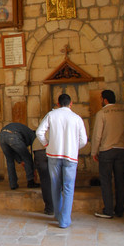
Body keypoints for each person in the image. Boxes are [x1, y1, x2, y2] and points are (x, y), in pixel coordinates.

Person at [36, 93, 87, 229]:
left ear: (57, 104)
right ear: (71, 104)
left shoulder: (52, 115)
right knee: (69, 187)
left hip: (54, 155)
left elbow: (39, 132)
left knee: (55, 185)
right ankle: (64, 220)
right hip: (70, 157)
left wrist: (47, 144)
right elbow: (83, 140)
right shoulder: (77, 118)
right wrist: (74, 147)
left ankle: (57, 215)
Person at [91, 89, 124, 219]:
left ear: (105, 100)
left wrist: (94, 151)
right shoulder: (123, 111)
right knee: (120, 180)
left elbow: (97, 135)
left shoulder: (102, 113)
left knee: (106, 181)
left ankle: (108, 210)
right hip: (121, 149)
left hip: (107, 150)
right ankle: (120, 210)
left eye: (101, 99)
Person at [0, 122, 38, 190]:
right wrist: (34, 169)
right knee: (27, 158)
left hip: (1, 136)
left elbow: (14, 151)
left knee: (9, 160)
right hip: (13, 136)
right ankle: (31, 182)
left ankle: (13, 184)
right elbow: (34, 153)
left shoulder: (24, 131)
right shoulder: (33, 136)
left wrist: (20, 161)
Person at [32, 136, 54, 215]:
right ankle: (60, 208)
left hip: (38, 148)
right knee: (57, 178)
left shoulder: (44, 125)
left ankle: (49, 208)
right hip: (54, 147)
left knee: (45, 180)